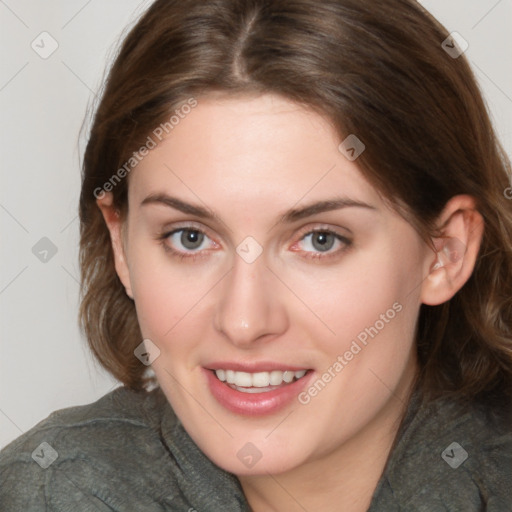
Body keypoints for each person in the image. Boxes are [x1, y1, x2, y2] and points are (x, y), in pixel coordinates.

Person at [1, 0, 511, 510]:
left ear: (445, 252)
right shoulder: (46, 494)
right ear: (121, 243)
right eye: (190, 237)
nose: (244, 322)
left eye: (320, 240)